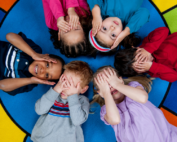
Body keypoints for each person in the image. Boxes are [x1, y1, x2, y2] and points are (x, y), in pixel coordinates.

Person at [92, 66, 177, 142]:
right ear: (100, 93)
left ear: (120, 80)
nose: (110, 86)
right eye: (106, 86)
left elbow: (143, 98)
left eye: (111, 82)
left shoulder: (133, 87)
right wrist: (106, 92)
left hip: (166, 137)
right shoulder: (105, 110)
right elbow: (115, 120)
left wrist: (117, 84)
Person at [31, 61, 93, 142]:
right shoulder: (53, 95)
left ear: (83, 89)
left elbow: (77, 120)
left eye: (71, 85)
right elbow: (39, 110)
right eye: (64, 80)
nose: (64, 87)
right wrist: (56, 89)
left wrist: (72, 96)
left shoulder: (82, 101)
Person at [0, 32, 65, 95]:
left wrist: (30, 80)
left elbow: (1, 85)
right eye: (47, 65)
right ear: (45, 56)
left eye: (47, 75)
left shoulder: (29, 84)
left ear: (44, 80)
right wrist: (33, 54)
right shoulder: (35, 49)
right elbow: (9, 36)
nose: (43, 70)